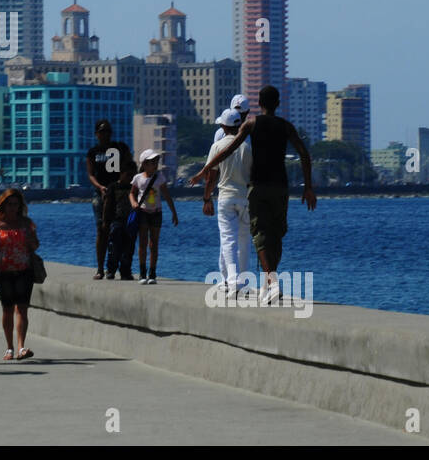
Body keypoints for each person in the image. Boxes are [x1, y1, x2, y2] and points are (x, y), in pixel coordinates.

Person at [191, 85, 317, 304]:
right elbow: (305, 154)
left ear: (259, 103)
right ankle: (270, 283)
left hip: (258, 186)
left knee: (259, 235)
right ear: (278, 103)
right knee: (275, 234)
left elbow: (228, 149)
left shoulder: (251, 123)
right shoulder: (286, 126)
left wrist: (205, 169)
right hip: (281, 186)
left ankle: (271, 282)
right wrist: (308, 187)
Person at [204, 109, 254, 296]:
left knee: (228, 240)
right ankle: (243, 281)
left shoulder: (217, 146)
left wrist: (206, 198)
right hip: (245, 197)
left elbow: (211, 177)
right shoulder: (248, 147)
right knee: (244, 241)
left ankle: (232, 281)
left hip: (225, 197)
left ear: (224, 126)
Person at [0, 188, 40, 360]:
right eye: (9, 204)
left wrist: (30, 240)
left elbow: (35, 245)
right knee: (7, 310)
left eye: (15, 205)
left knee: (22, 309)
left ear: (20, 206)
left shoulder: (26, 224)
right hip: (4, 271)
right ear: (3, 205)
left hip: (24, 270)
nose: (13, 208)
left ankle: (21, 346)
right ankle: (9, 347)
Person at [86, 118, 137, 280]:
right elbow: (90, 175)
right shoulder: (93, 153)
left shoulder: (120, 148)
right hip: (101, 193)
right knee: (102, 229)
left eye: (107, 131)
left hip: (120, 192)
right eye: (102, 131)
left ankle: (121, 266)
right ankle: (100, 268)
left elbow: (130, 166)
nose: (105, 134)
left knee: (122, 229)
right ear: (96, 134)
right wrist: (100, 187)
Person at [129, 149, 178, 284]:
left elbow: (167, 195)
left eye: (156, 162)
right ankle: (142, 272)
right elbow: (132, 193)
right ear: (144, 164)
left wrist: (174, 212)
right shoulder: (138, 178)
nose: (155, 165)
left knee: (154, 244)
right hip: (143, 212)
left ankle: (152, 273)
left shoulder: (160, 177)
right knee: (143, 243)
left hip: (156, 212)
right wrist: (133, 203)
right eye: (152, 162)